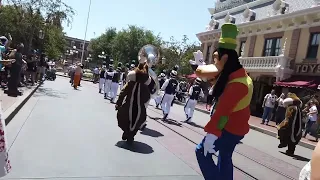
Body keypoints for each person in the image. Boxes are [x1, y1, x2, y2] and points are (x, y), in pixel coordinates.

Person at [193, 23, 253, 180]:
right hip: (235, 128)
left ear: (224, 58)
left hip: (229, 128)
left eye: (215, 59)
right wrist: (200, 66)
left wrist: (212, 135)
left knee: (201, 151)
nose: (214, 64)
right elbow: (215, 78)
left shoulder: (239, 84)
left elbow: (223, 112)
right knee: (224, 156)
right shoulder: (236, 75)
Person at [115, 62, 156, 144]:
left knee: (125, 118)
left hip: (128, 105)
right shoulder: (145, 87)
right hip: (139, 108)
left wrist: (119, 103)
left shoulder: (130, 83)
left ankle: (126, 132)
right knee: (138, 121)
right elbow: (147, 97)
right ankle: (131, 135)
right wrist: (142, 103)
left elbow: (123, 93)